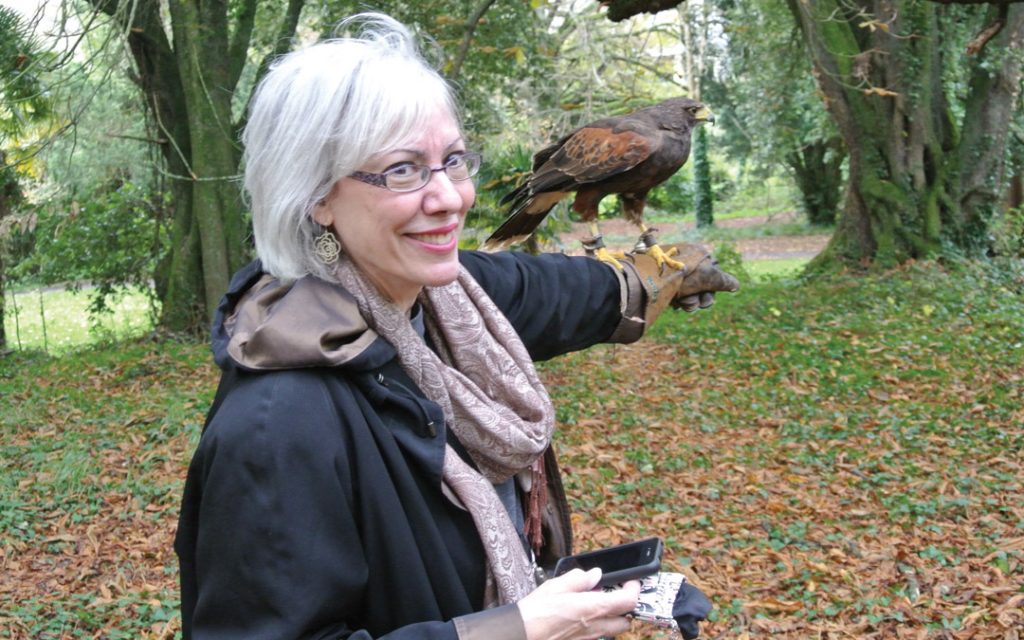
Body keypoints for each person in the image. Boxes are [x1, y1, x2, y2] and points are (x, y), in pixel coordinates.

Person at [174, 12, 737, 640]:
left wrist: (645, 280)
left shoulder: (450, 301)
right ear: (317, 196)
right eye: (403, 170)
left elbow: (554, 293)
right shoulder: (278, 425)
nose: (449, 198)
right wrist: (516, 630)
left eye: (453, 160)